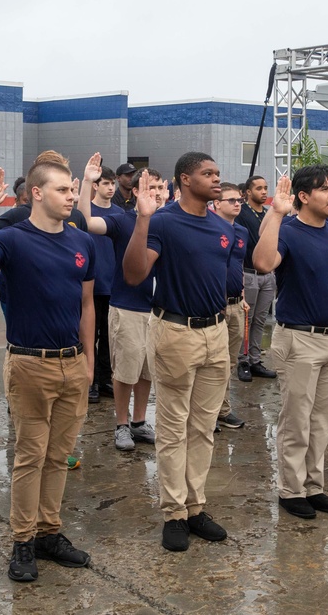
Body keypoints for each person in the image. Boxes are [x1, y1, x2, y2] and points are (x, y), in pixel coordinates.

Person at [0, 157, 95, 583]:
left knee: (59, 456)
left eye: (73, 190)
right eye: (63, 190)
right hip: (30, 363)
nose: (71, 196)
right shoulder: (11, 238)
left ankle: (50, 533)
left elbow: (87, 305)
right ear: (36, 193)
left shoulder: (81, 242)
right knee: (30, 456)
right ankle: (23, 540)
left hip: (73, 364)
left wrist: (87, 359)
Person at [123, 152, 234, 552]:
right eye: (208, 174)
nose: (216, 179)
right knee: (173, 428)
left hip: (216, 334)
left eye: (218, 173)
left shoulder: (222, 227)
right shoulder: (163, 222)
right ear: (185, 179)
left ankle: (195, 507)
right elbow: (134, 274)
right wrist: (142, 219)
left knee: (203, 428)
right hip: (175, 331)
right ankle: (173, 513)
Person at [253, 166, 328, 519]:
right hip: (299, 339)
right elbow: (263, 263)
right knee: (297, 420)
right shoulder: (289, 232)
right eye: (325, 189)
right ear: (304, 196)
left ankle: (314, 486)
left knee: (324, 421)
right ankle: (291, 490)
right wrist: (277, 214)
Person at [81, 159, 163, 451]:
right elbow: (85, 222)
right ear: (135, 190)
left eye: (157, 187)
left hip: (159, 311)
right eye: (147, 187)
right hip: (128, 306)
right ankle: (121, 423)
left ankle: (140, 422)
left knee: (146, 372)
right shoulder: (122, 218)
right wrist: (86, 183)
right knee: (126, 371)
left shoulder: (169, 221)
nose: (153, 193)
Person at [212, 183, 250, 431]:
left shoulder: (243, 231)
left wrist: (243, 295)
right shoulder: (209, 227)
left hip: (236, 305)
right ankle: (208, 413)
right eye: (231, 200)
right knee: (212, 363)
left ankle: (222, 410)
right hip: (215, 306)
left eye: (240, 200)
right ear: (216, 203)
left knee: (229, 362)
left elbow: (239, 266)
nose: (237, 204)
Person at [234, 175, 278, 382]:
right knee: (246, 319)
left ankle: (255, 359)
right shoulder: (242, 212)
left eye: (266, 188)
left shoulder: (269, 214)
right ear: (248, 192)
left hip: (268, 276)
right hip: (248, 273)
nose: (263, 191)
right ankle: (242, 361)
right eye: (259, 188)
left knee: (260, 319)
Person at [86, 166, 123, 404]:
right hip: (90, 285)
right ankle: (90, 382)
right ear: (95, 186)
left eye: (113, 184)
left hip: (114, 285)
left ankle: (105, 378)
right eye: (106, 183)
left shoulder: (120, 213)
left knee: (110, 336)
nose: (110, 188)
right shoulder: (85, 211)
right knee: (89, 336)